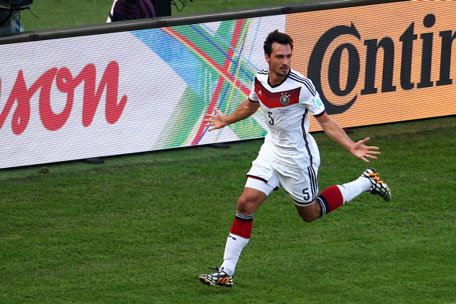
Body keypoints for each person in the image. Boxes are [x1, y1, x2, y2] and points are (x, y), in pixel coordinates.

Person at [198, 30, 391, 288]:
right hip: (271, 151)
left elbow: (325, 121)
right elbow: (250, 105)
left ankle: (367, 181)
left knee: (309, 214)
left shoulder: (302, 86)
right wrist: (226, 120)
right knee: (245, 203)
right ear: (267, 57)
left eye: (289, 56)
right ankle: (226, 272)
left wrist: (350, 146)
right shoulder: (260, 79)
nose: (286, 61)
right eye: (280, 56)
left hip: (299, 160)